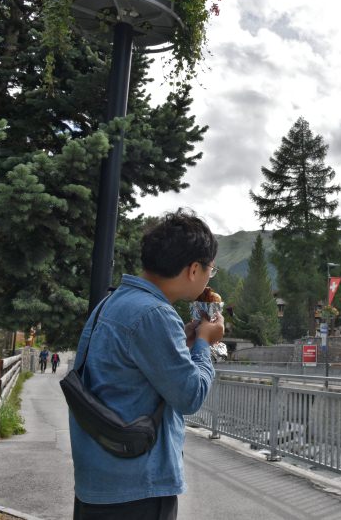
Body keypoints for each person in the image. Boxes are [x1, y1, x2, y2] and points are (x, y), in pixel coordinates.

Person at [69, 209, 224, 520]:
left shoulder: (113, 301)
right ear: (194, 269)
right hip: (137, 488)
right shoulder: (155, 314)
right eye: (211, 269)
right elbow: (190, 396)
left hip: (99, 480)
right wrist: (206, 342)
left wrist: (185, 340)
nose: (209, 277)